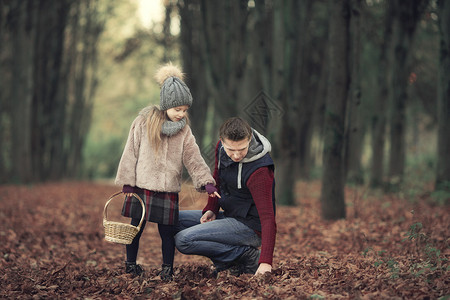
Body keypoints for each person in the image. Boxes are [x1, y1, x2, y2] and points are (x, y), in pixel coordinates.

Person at [115, 63, 217, 280]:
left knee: (167, 232)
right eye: (177, 109)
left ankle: (167, 269)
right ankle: (130, 265)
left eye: (184, 110)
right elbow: (130, 152)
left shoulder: (184, 132)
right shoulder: (143, 123)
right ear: (165, 105)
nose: (181, 114)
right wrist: (127, 181)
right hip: (142, 186)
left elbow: (193, 157)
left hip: (168, 188)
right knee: (136, 227)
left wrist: (206, 181)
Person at [175, 117, 276, 276]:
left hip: (251, 227)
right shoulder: (221, 149)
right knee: (172, 220)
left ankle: (247, 256)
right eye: (231, 149)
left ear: (249, 139)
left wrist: (265, 262)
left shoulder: (260, 171)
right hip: (230, 216)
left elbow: (268, 217)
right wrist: (212, 209)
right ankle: (231, 262)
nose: (236, 155)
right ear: (222, 141)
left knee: (183, 240)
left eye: (242, 149)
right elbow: (218, 178)